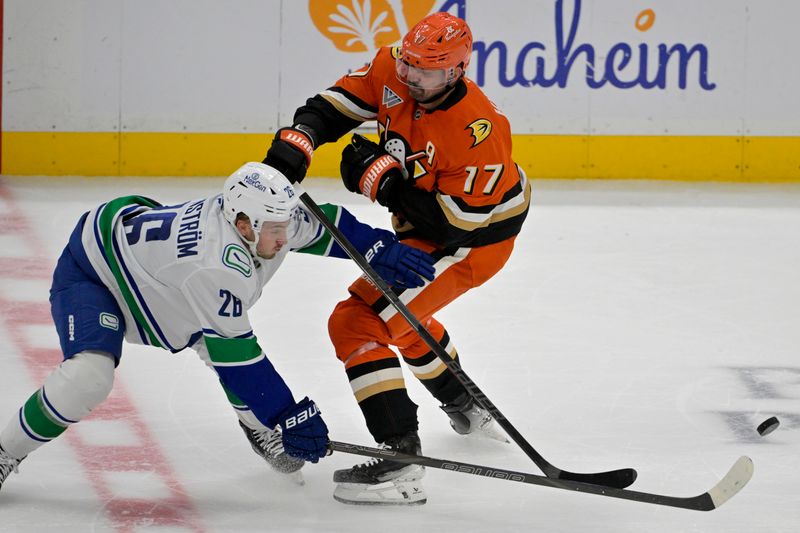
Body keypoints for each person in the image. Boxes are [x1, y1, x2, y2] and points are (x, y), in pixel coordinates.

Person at [0, 162, 436, 493]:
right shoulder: (214, 265)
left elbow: (323, 225)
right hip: (97, 275)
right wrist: (286, 415)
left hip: (164, 283)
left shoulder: (263, 217)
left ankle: (257, 425)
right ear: (243, 224)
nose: (285, 239)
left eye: (285, 226)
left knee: (222, 343)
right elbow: (239, 358)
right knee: (89, 377)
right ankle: (4, 452)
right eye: (275, 231)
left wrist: (376, 247)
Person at [262, 11, 531, 505]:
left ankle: (401, 459)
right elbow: (333, 107)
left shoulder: (480, 130)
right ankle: (463, 400)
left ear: (455, 71)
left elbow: (455, 226)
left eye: (425, 71)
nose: (409, 78)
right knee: (401, 319)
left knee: (358, 322)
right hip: (430, 228)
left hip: (473, 244)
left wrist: (382, 181)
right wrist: (298, 142)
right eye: (407, 64)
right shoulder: (396, 68)